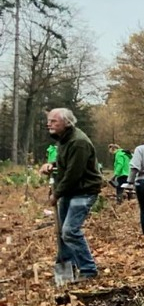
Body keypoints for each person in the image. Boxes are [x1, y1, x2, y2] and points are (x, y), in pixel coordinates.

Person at [46, 108, 101, 281]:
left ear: (66, 122)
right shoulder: (64, 139)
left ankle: (88, 270)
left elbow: (73, 173)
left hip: (83, 191)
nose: (49, 124)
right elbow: (66, 162)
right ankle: (67, 270)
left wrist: (56, 194)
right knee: (62, 231)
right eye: (49, 120)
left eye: (54, 121)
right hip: (71, 190)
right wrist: (51, 164)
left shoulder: (78, 142)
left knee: (69, 231)